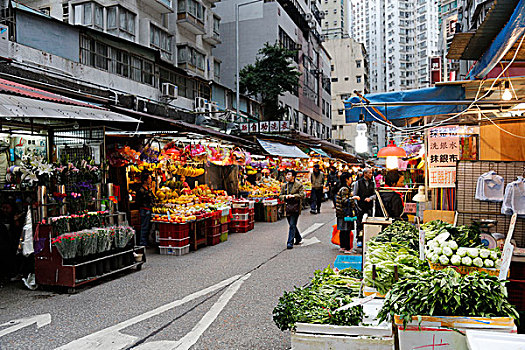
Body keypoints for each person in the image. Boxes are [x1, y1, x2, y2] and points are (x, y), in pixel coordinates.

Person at [279, 170, 305, 249]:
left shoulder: (299, 185)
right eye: (287, 174)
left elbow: (302, 195)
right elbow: (280, 195)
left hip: (295, 207)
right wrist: (285, 197)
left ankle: (290, 242)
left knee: (292, 224)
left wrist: (293, 196)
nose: (287, 176)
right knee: (291, 224)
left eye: (289, 175)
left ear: (293, 176)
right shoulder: (284, 186)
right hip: (287, 207)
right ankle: (298, 237)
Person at [336, 172, 359, 254]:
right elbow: (345, 201)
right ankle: (347, 248)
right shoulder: (345, 189)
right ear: (347, 179)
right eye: (350, 178)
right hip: (345, 213)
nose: (351, 179)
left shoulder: (343, 188)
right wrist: (353, 197)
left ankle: (342, 246)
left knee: (343, 230)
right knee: (346, 230)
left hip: (341, 212)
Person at [352, 168, 376, 236]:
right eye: (370, 173)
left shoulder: (372, 183)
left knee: (368, 223)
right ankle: (359, 238)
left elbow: (375, 194)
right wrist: (357, 206)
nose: (371, 174)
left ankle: (367, 236)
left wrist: (370, 198)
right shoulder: (358, 183)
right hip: (360, 207)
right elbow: (354, 195)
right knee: (359, 223)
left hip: (369, 207)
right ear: (365, 174)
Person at [136, 172, 154, 247]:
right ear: (145, 180)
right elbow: (138, 201)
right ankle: (142, 243)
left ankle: (146, 241)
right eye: (149, 178)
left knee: (149, 227)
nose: (151, 180)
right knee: (144, 227)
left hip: (149, 209)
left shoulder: (148, 189)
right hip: (144, 210)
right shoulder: (141, 190)